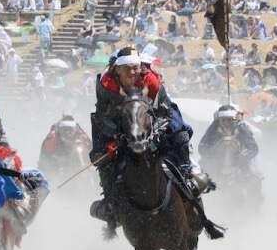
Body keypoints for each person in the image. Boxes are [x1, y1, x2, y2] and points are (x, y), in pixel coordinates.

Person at [89, 47, 217, 233]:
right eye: (128, 69)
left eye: (136, 67)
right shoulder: (106, 85)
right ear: (117, 70)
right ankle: (110, 202)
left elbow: (164, 109)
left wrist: (155, 128)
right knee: (101, 156)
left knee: (180, 134)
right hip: (116, 124)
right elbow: (103, 116)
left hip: (153, 119)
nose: (133, 72)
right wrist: (117, 135)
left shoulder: (151, 81)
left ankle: (186, 173)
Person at [197, 104, 259, 174]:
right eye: (223, 120)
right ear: (219, 120)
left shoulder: (241, 128)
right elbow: (202, 148)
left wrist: (241, 157)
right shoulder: (213, 129)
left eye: (229, 120)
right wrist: (215, 151)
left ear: (234, 119)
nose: (226, 123)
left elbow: (253, 148)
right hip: (216, 165)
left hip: (239, 165)